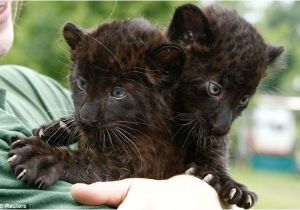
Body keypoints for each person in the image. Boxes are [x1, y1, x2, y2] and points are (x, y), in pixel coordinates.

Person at [0, 1, 222, 209]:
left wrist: (61, 161)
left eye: (117, 92)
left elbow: (122, 168)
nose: (85, 116)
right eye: (82, 83)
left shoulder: (29, 86)